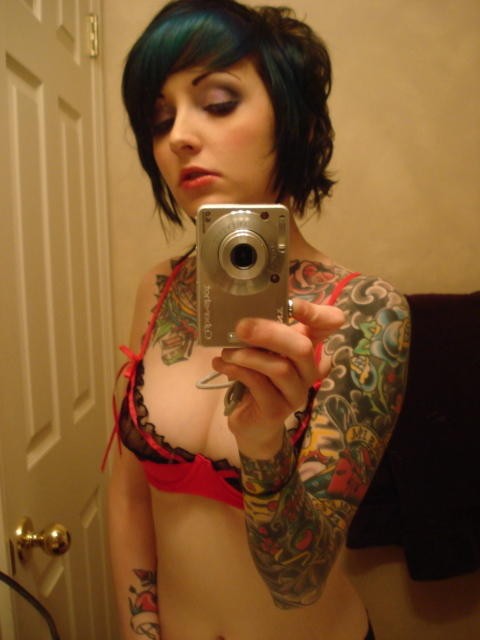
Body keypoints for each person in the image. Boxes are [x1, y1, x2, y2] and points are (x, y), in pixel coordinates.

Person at [106, 1, 410, 638]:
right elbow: (129, 498)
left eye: (217, 103)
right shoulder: (157, 290)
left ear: (294, 122)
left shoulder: (363, 311)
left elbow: (298, 582)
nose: (178, 136)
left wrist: (264, 443)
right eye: (159, 119)